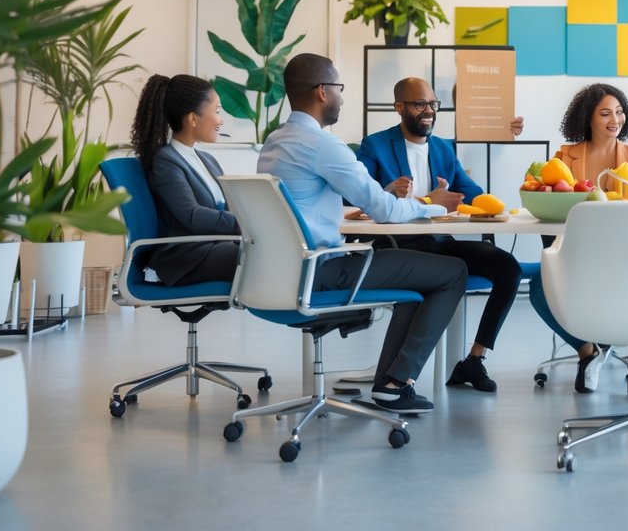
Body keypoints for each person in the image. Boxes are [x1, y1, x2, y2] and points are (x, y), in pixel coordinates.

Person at [258, 53, 468, 415]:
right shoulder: (324, 146)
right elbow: (385, 210)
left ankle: (389, 382)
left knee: (419, 270)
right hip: (320, 272)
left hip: (279, 273)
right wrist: (433, 204)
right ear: (323, 92)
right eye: (339, 89)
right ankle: (397, 382)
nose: (342, 97)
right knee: (452, 271)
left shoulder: (275, 143)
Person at [355, 77, 522, 393]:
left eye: (433, 104)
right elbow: (356, 197)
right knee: (441, 275)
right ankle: (397, 378)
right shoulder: (375, 145)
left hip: (440, 243)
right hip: (397, 245)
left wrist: (496, 206)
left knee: (508, 268)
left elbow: (468, 192)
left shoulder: (444, 148)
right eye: (420, 104)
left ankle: (474, 358)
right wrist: (388, 191)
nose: (429, 110)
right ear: (399, 107)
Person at [528, 82, 628, 393]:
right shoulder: (565, 156)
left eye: (620, 112)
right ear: (588, 118)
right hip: (576, 250)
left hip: (624, 251)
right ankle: (587, 350)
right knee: (539, 291)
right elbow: (551, 202)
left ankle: (623, 342)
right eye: (606, 113)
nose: (615, 119)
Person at [129, 74, 239, 287]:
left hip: (214, 245)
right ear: (193, 118)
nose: (221, 119)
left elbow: (227, 205)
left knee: (268, 249)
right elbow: (192, 215)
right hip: (187, 256)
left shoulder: (207, 160)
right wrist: (243, 223)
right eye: (217, 111)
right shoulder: (166, 161)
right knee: (259, 258)